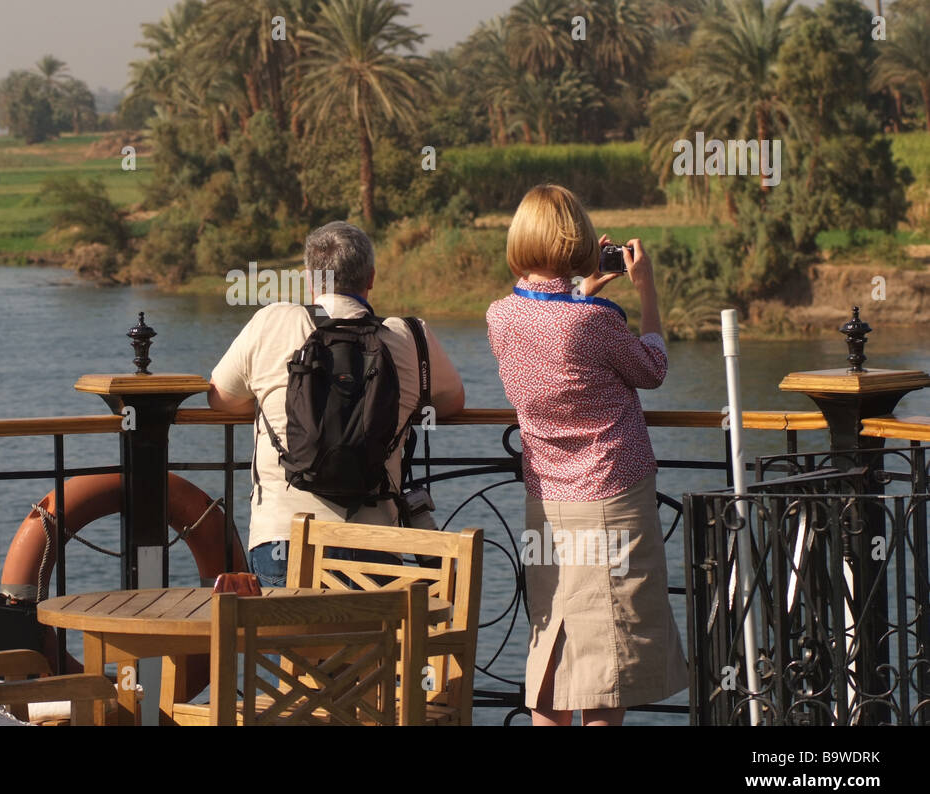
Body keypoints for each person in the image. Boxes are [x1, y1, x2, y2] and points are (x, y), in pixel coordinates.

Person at [485, 184, 687, 726]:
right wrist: (646, 294)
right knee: (605, 658)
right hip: (611, 497)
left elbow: (547, 324)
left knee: (552, 646)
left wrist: (581, 289)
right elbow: (653, 369)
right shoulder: (593, 321)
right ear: (575, 239)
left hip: (546, 499)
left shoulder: (500, 317)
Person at [208, 221, 466, 585]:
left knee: (287, 640)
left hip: (285, 538)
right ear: (371, 278)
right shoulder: (411, 337)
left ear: (309, 279)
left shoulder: (271, 322)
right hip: (374, 545)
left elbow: (219, 397)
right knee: (370, 640)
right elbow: (453, 401)